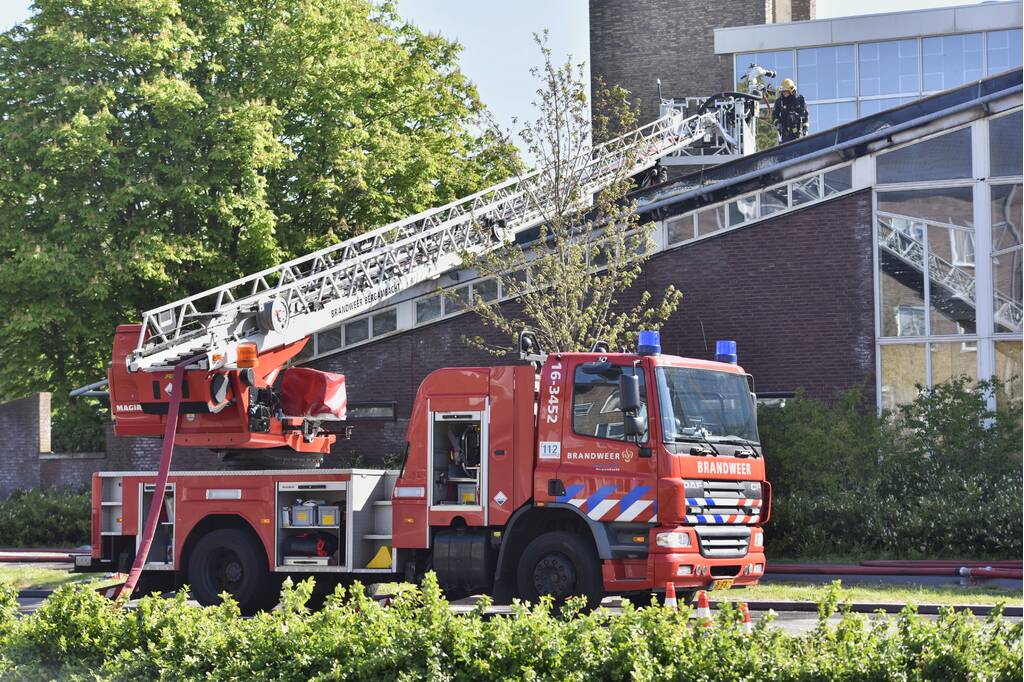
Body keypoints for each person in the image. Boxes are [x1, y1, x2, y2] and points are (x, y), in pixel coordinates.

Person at [772, 78, 808, 143]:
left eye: (785, 91)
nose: (784, 93)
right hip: (786, 133)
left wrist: (805, 130)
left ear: (791, 90)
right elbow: (774, 115)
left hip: (798, 132)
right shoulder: (779, 101)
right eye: (783, 91)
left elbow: (805, 116)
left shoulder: (800, 99)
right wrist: (778, 123)